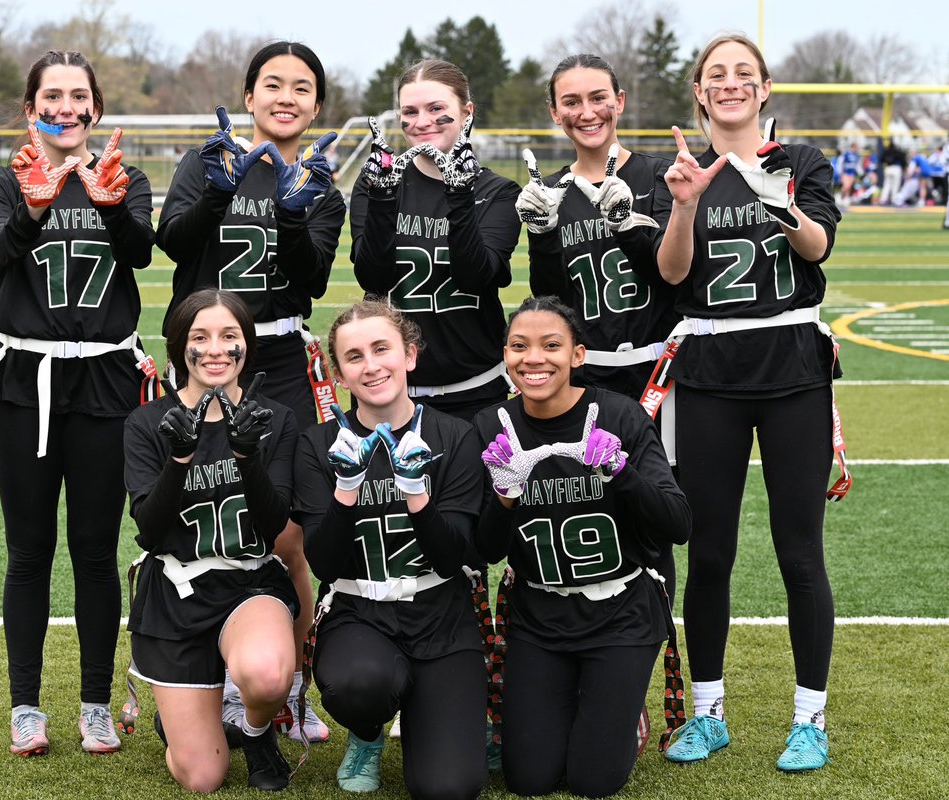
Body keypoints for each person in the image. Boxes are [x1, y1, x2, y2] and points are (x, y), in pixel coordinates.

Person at [654, 34, 843, 772]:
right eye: (716, 75)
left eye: (744, 74)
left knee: (800, 551)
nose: (730, 84)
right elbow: (673, 273)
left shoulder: (802, 161)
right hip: (709, 372)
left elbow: (818, 247)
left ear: (764, 89)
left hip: (793, 368)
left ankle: (810, 718)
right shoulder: (678, 168)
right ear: (700, 93)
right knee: (710, 552)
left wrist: (779, 203)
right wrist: (682, 205)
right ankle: (708, 713)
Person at [156, 40, 346, 741]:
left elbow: (314, 276)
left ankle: (288, 687)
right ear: (249, 95)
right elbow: (172, 242)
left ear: (317, 106)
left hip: (282, 363)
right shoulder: (208, 160)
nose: (286, 97)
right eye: (273, 83)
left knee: (289, 535)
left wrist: (293, 211)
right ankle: (204, 679)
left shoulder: (322, 182)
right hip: (205, 357)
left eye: (301, 88)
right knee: (200, 523)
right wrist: (217, 188)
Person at [0, 50, 154, 757]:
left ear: (96, 109)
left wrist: (110, 205)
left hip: (105, 377)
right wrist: (34, 204)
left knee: (95, 550)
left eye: (80, 96)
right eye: (52, 95)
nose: (66, 107)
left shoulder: (124, 177)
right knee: (28, 550)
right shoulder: (1, 179)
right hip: (26, 378)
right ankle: (25, 706)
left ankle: (94, 704)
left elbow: (140, 252)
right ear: (31, 108)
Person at [473, 296, 690, 797]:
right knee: (529, 779)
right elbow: (486, 549)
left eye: (551, 346)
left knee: (594, 781)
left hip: (619, 613)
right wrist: (504, 497)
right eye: (519, 346)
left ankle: (621, 711)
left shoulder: (619, 415)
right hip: (538, 617)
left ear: (577, 355)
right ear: (504, 355)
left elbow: (677, 525)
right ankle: (579, 703)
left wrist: (621, 473)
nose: (534, 358)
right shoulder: (490, 425)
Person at [292, 299, 487, 798]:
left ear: (410, 356)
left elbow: (454, 557)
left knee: (449, 788)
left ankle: (440, 714)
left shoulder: (455, 435)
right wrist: (346, 490)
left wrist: (417, 494)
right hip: (359, 612)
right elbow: (324, 564)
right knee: (359, 684)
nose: (371, 365)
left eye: (382, 349)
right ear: (339, 375)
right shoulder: (318, 444)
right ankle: (367, 732)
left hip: (441, 612)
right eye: (354, 356)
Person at [517, 52, 679, 599]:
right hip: (590, 377)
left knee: (657, 514)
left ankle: (653, 631)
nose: (586, 112)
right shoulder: (552, 190)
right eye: (571, 101)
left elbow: (674, 277)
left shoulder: (658, 175)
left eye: (597, 98)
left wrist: (630, 226)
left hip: (658, 373)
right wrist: (542, 236)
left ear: (619, 102)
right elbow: (549, 301)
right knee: (593, 507)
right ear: (554, 112)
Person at [123, 289, 299, 792]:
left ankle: (256, 731)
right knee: (202, 777)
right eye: (200, 337)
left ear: (248, 345)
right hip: (177, 592)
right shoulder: (147, 422)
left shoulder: (274, 418)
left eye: (229, 335)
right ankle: (186, 722)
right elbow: (150, 530)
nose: (216, 349)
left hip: (248, 583)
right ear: (180, 346)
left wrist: (247, 455)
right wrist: (179, 458)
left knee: (267, 675)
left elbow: (273, 525)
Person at [350, 59, 521, 423]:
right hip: (390, 393)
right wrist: (382, 198)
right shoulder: (377, 184)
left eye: (436, 108)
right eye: (410, 112)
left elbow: (476, 277)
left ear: (467, 112)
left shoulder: (498, 191)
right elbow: (372, 278)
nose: (422, 121)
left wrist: (459, 195)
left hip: (475, 390)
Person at [835, 142, 860, 207]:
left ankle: (846, 199)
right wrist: (840, 172)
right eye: (856, 147)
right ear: (852, 147)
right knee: (846, 186)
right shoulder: (846, 154)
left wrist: (859, 172)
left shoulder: (856, 155)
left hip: (852, 173)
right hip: (846, 172)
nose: (857, 149)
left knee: (849, 187)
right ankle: (838, 195)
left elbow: (857, 164)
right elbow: (840, 162)